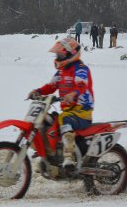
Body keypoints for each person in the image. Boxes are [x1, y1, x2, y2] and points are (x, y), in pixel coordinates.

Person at [28, 38, 94, 172]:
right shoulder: (61, 71)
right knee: (46, 120)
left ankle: (68, 157)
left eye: (61, 55)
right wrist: (37, 92)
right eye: (58, 54)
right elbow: (51, 86)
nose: (58, 57)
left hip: (81, 112)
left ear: (71, 54)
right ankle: (49, 156)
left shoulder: (81, 69)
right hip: (67, 111)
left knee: (64, 119)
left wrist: (73, 94)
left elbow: (81, 85)